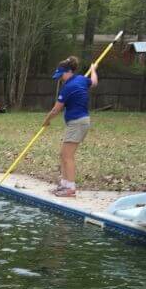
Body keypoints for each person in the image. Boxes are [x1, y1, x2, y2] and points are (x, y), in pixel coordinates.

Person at [42, 56, 97, 197]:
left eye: (61, 76)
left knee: (68, 156)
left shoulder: (67, 88)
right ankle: (64, 184)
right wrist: (93, 70)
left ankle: (71, 188)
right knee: (63, 154)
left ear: (67, 72)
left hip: (77, 123)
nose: (60, 79)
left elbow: (56, 109)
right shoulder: (82, 80)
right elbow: (94, 82)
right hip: (79, 122)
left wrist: (47, 120)